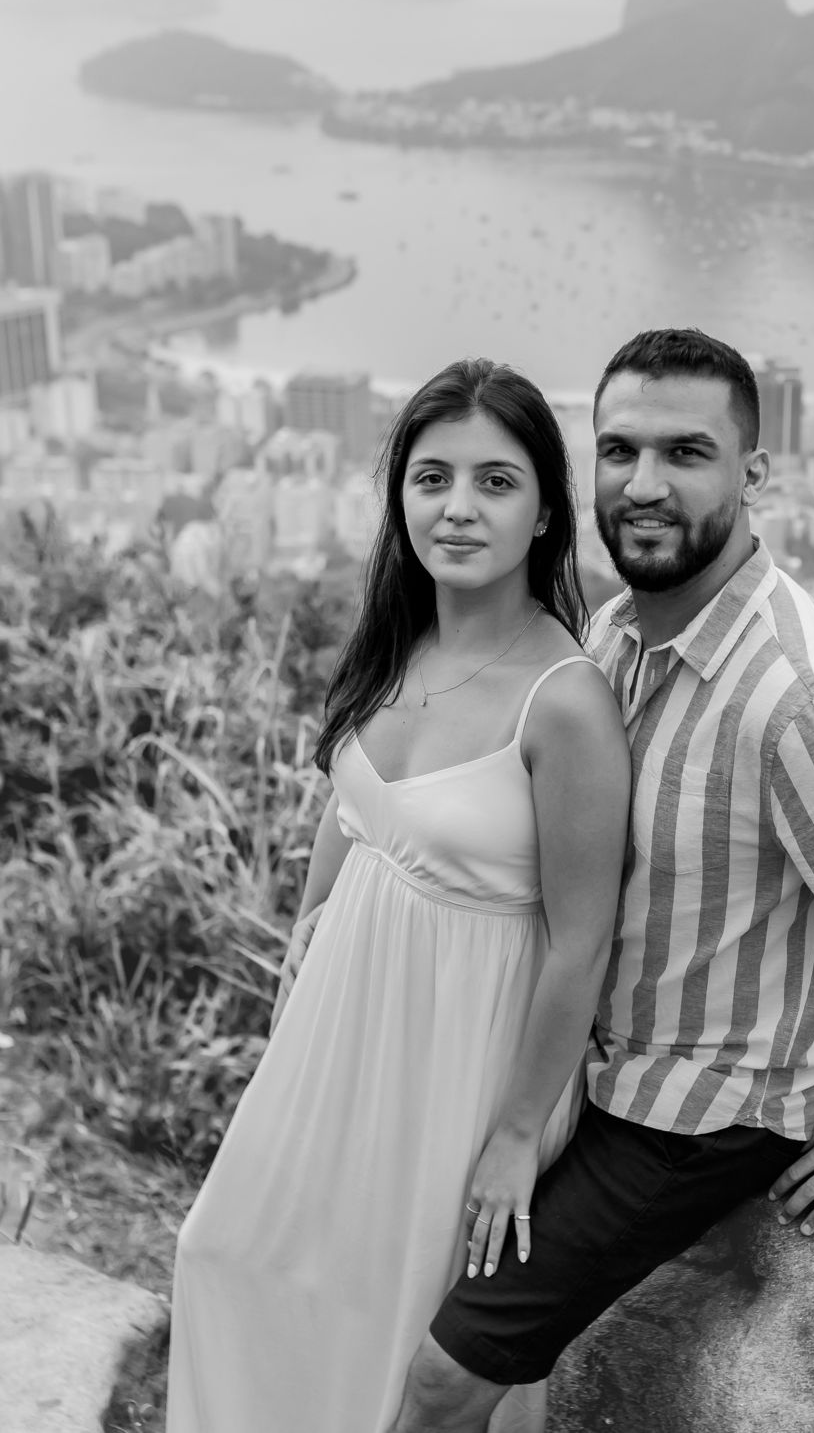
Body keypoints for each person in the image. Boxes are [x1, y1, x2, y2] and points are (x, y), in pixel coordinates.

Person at [395, 328, 814, 1432]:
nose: (644, 484)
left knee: (442, 1378)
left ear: (753, 473)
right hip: (590, 1062)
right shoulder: (620, 631)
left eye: (686, 453)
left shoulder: (796, 700)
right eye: (619, 451)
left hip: (690, 1119)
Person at [166, 358, 631, 1433]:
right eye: (432, 478)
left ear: (545, 512)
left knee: (396, 1318)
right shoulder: (398, 641)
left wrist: (517, 1136)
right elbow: (352, 815)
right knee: (229, 1253)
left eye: (494, 481)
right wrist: (302, 952)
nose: (457, 507)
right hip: (340, 1025)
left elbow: (581, 942)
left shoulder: (565, 705)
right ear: (400, 497)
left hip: (463, 1056)